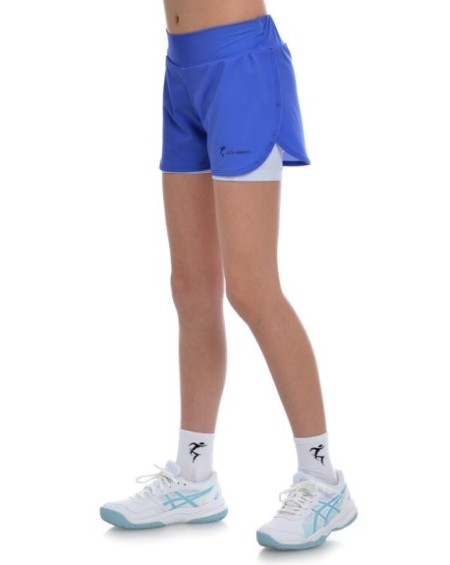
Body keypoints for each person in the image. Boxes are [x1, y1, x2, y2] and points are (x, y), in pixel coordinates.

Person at [100, 0, 357, 551]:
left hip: (241, 67)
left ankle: (323, 481)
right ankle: (194, 478)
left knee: (252, 289)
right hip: (181, 70)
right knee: (191, 288)